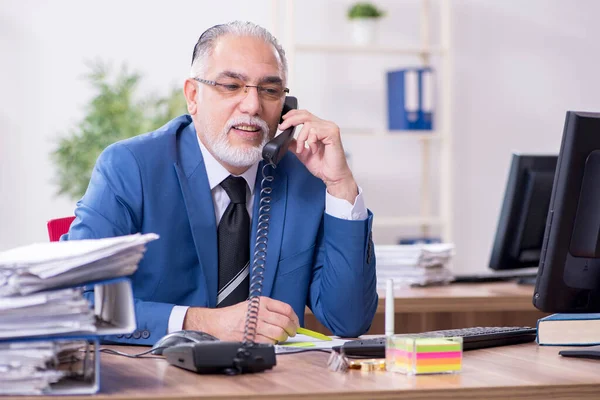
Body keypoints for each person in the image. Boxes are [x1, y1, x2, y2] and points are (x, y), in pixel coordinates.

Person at [63, 21, 377, 345]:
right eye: (231, 85)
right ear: (193, 95)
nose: (253, 106)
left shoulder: (305, 176)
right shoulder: (131, 167)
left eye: (270, 90)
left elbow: (349, 320)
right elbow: (76, 304)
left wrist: (340, 185)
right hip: (157, 380)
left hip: (270, 387)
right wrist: (203, 322)